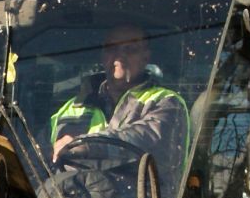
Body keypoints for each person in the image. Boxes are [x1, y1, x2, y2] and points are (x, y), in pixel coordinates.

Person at [49, 24, 189, 168]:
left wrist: (85, 145)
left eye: (130, 49)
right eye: (112, 48)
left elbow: (144, 139)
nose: (120, 56)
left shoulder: (166, 102)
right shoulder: (71, 108)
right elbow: (37, 159)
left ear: (146, 58)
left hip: (141, 190)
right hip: (65, 190)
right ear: (103, 56)